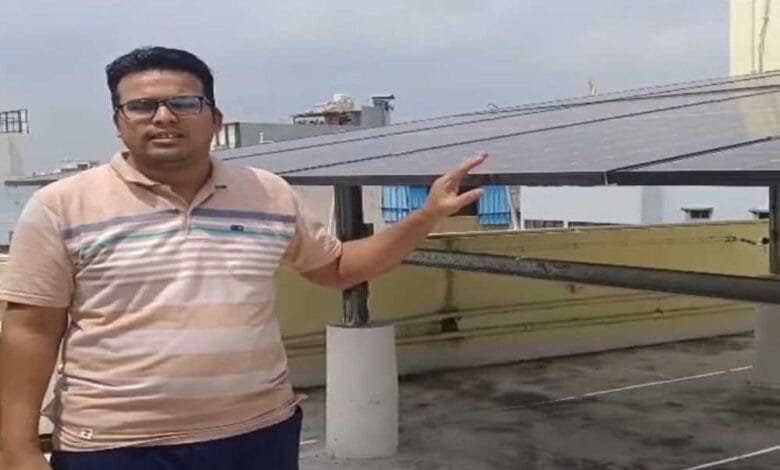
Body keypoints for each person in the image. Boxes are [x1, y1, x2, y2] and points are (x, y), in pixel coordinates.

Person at [0, 46, 486, 470]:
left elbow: (338, 268)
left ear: (214, 118)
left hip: (257, 434)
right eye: (142, 106)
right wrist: (16, 451)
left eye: (183, 103)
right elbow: (31, 331)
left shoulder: (267, 193)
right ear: (118, 123)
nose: (163, 117)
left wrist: (425, 216)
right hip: (114, 445)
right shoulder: (62, 205)